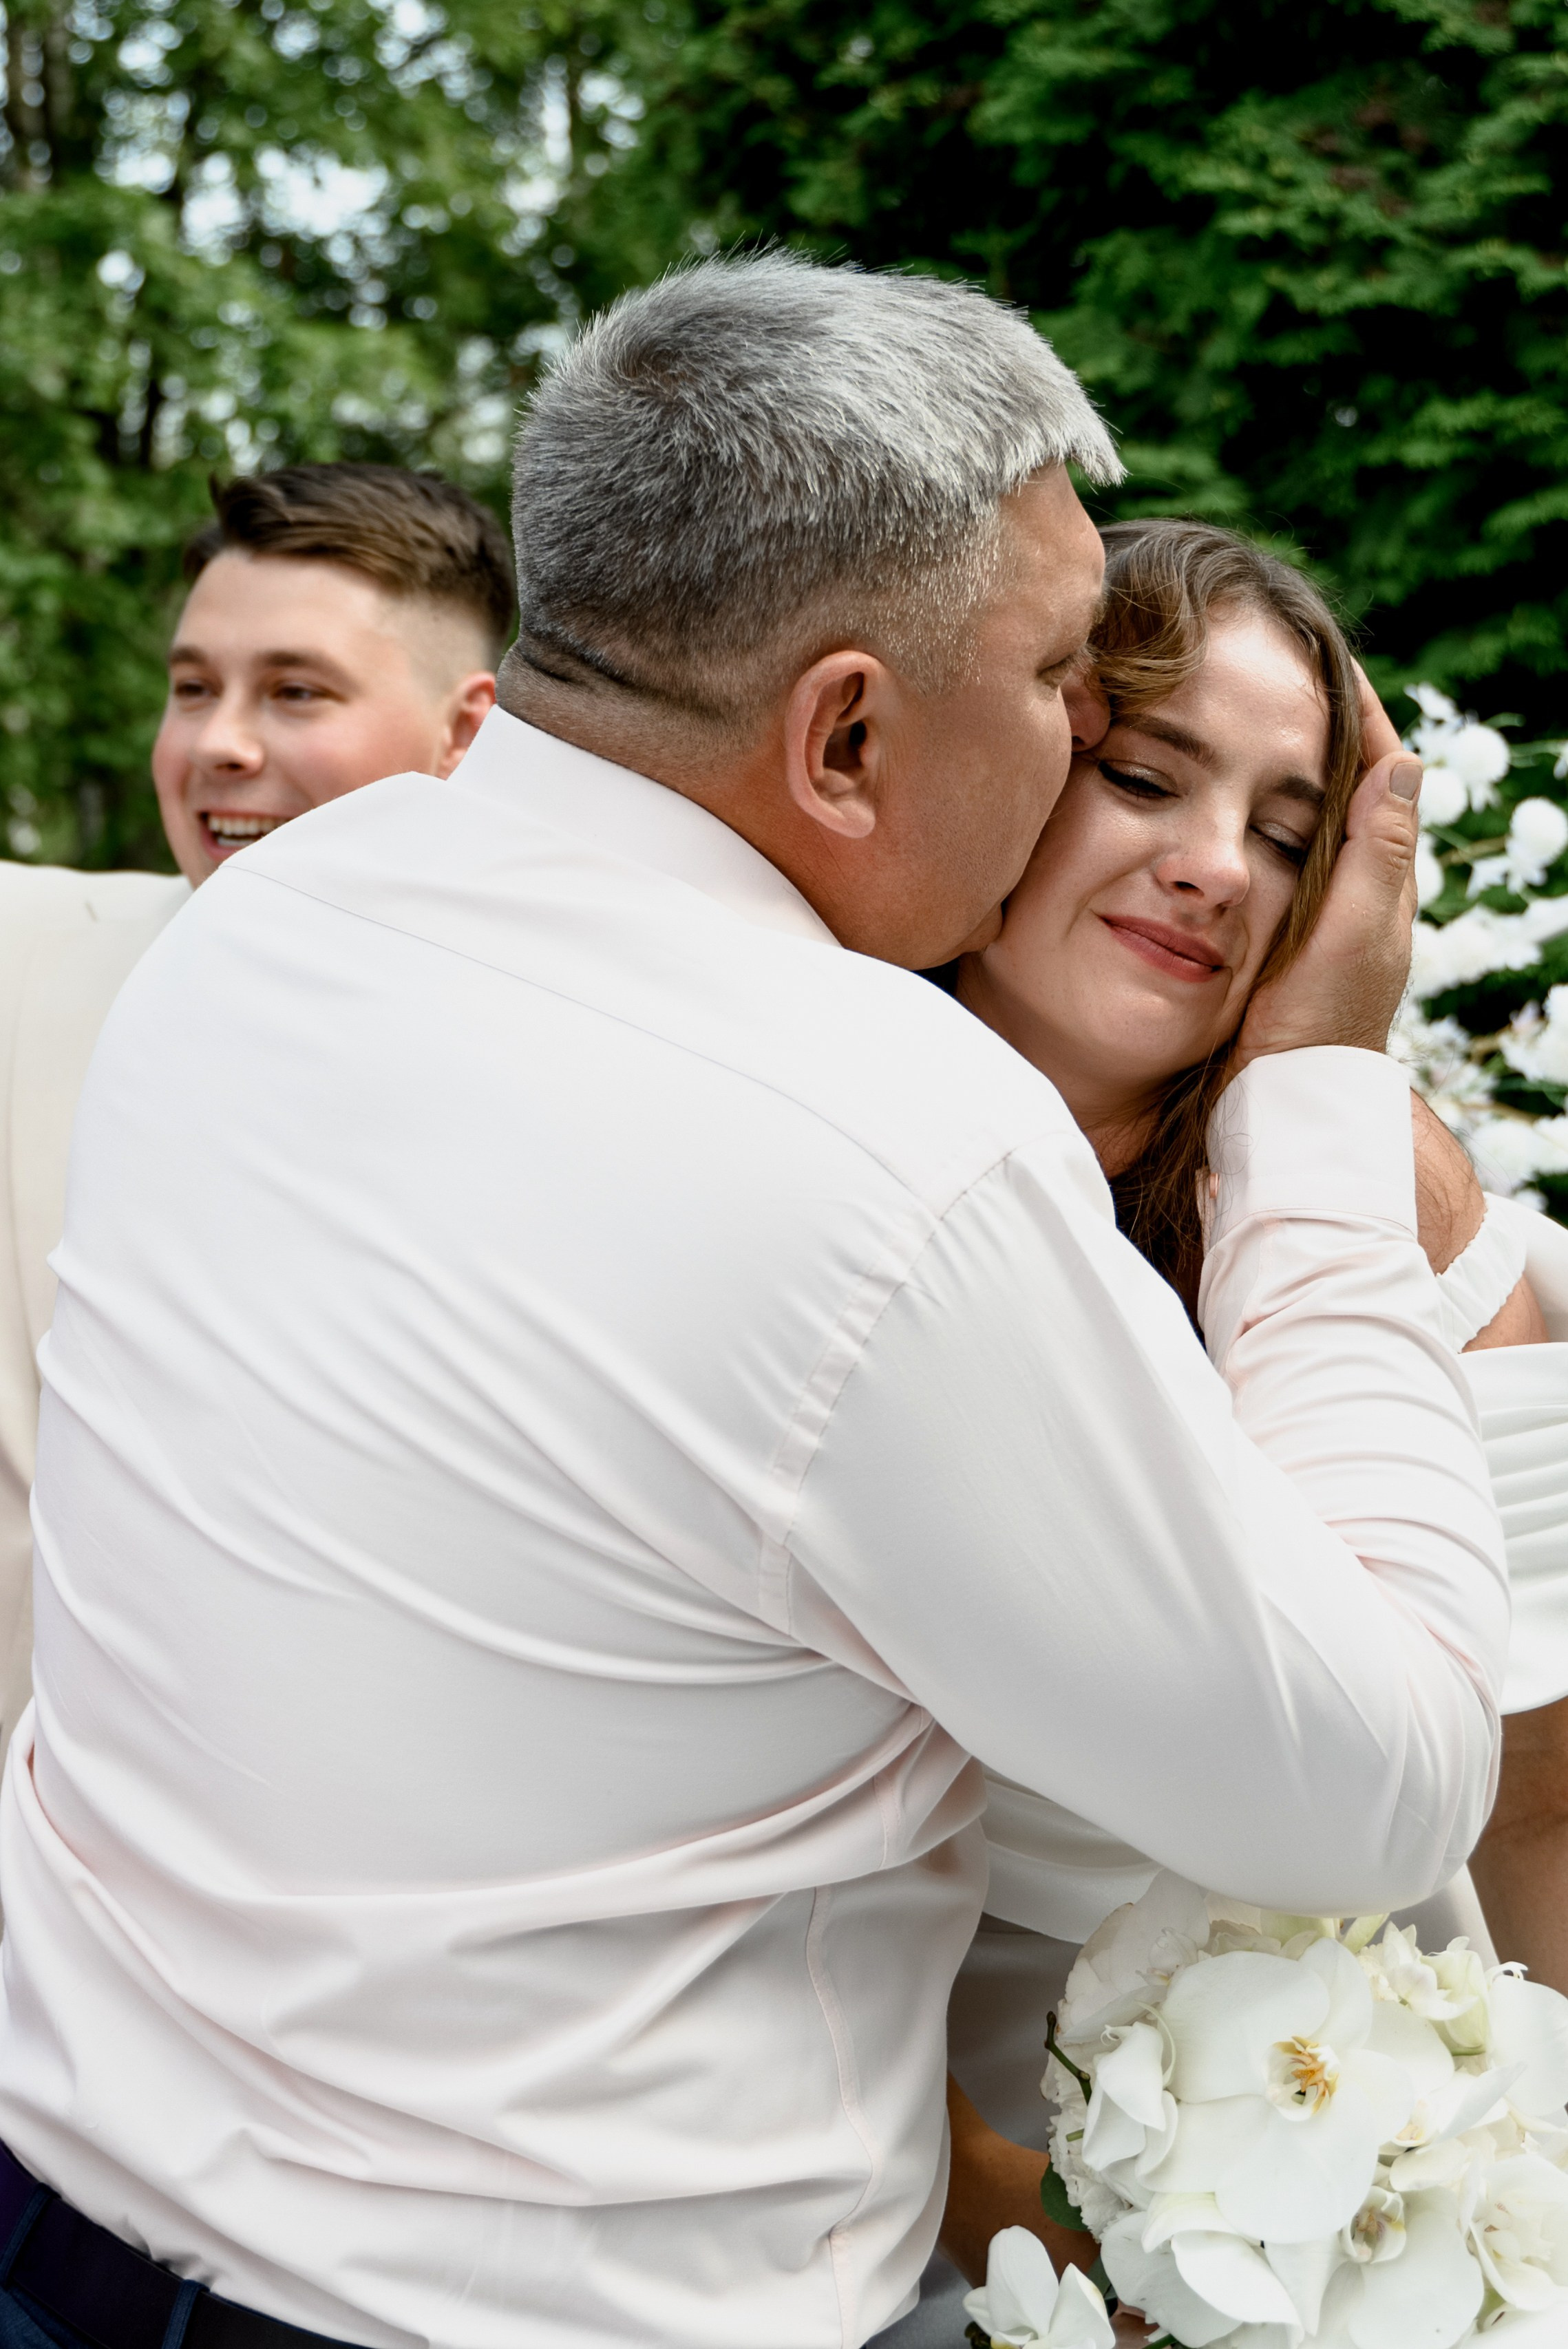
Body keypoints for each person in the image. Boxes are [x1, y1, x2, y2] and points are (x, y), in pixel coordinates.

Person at [0, 256, 1506, 2349]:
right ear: (848, 730)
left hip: (49, 2220)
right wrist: (1324, 1078)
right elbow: (1378, 1782)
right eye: (1068, 675)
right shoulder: (885, 1140)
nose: (1085, 738)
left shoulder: (272, 929)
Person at [894, 518, 1568, 2339]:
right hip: (940, 2173)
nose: (1209, 869)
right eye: (1141, 776)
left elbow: (1539, 1806)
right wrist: (1049, 2230)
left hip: (1377, 2123)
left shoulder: (1393, 1193)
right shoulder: (837, 1166)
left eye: (1284, 832)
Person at [0, 460, 512, 1790]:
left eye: (295, 690)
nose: (217, 743)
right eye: (191, 687)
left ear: (469, 733)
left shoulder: (583, 1068)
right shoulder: (32, 950)